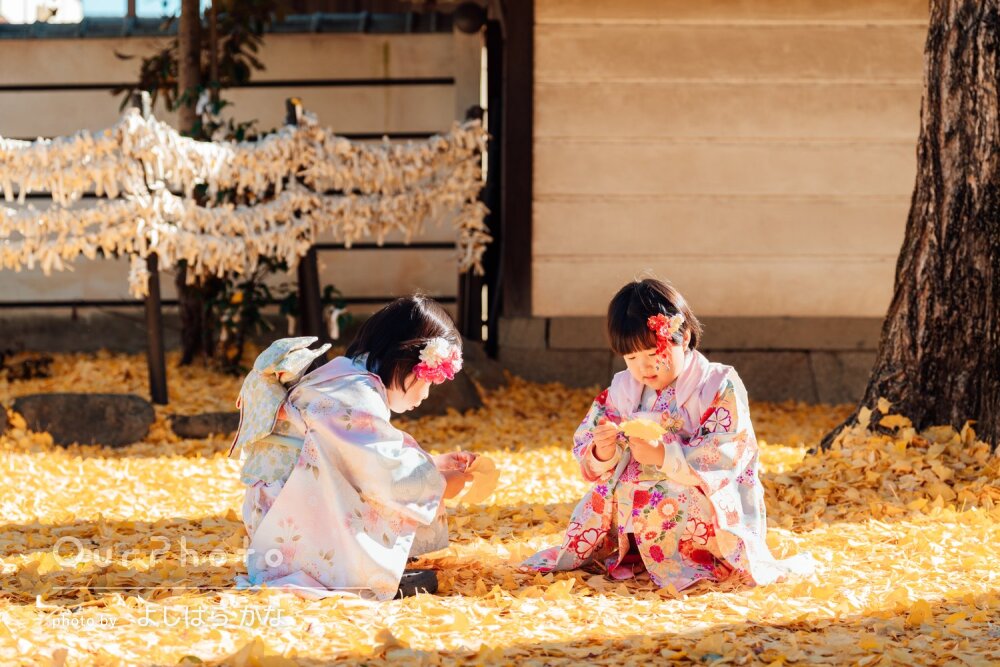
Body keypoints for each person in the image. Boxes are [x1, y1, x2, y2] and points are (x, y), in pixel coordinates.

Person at [522, 279, 813, 590]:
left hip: (695, 491)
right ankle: (633, 553)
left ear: (683, 336)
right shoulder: (623, 389)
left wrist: (664, 456)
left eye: (652, 353)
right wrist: (602, 451)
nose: (643, 367)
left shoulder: (717, 384)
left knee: (664, 493)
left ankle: (688, 557)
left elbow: (724, 454)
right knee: (605, 493)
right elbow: (588, 439)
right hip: (637, 486)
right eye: (631, 358)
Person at [230, 295, 477, 600]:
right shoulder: (355, 393)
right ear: (405, 362)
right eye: (428, 381)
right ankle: (354, 570)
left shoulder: (345, 377)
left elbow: (364, 454)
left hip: (285, 504)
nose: (426, 393)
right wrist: (439, 485)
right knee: (382, 497)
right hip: (288, 519)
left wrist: (433, 464)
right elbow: (381, 474)